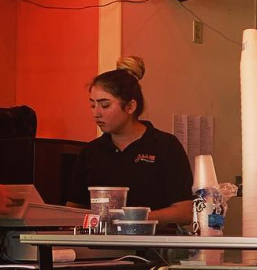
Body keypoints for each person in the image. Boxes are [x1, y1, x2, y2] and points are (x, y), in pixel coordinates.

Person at [67, 57, 193, 226]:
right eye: (92, 105)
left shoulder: (165, 145)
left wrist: (134, 220)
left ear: (130, 107)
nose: (96, 113)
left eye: (105, 105)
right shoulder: (91, 152)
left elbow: (185, 211)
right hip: (99, 249)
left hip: (154, 248)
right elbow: (74, 208)